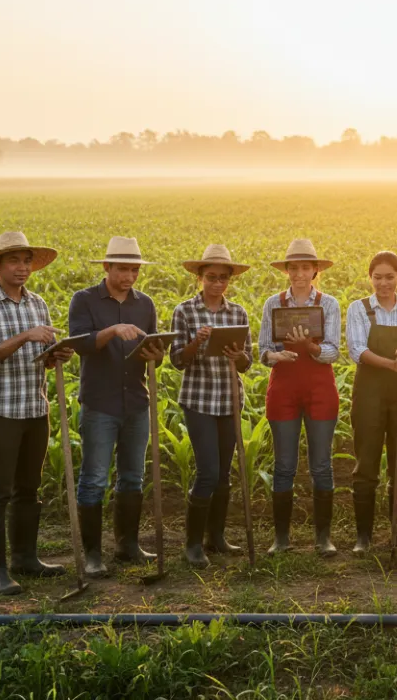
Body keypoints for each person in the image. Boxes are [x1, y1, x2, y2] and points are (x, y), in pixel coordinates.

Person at [0, 231, 70, 594]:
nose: (22, 268)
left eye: (27, 261)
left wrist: (55, 355)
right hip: (0, 411)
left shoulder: (37, 303)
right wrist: (27, 336)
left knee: (29, 488)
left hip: (34, 408)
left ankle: (25, 557)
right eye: (14, 261)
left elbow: (42, 353)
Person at [67, 236, 161, 578]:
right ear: (107, 267)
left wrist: (156, 355)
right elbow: (80, 344)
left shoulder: (145, 304)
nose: (130, 276)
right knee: (94, 479)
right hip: (100, 403)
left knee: (133, 477)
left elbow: (153, 349)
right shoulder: (85, 300)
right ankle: (93, 555)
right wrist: (112, 330)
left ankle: (128, 546)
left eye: (135, 270)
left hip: (136, 400)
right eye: (123, 269)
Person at [169, 244, 254, 569]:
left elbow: (246, 363)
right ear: (200, 277)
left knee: (223, 474)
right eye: (211, 277)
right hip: (199, 400)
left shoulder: (238, 313)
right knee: (207, 472)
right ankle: (192, 544)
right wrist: (196, 342)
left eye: (223, 278)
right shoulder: (185, 311)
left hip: (230, 399)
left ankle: (215, 537)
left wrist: (238, 356)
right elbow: (178, 360)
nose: (217, 283)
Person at [258, 239, 342, 557]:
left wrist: (310, 347)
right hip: (284, 387)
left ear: (315, 270)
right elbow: (263, 350)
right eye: (293, 268)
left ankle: (323, 539)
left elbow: (333, 350)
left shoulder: (329, 304)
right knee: (284, 466)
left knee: (321, 465)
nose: (299, 274)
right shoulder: (273, 304)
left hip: (320, 387)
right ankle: (281, 539)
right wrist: (276, 357)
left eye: (305, 267)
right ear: (287, 271)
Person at [346, 251, 397, 553]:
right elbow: (356, 350)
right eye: (377, 277)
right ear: (370, 278)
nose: (383, 283)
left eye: (389, 277)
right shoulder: (359, 309)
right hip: (369, 392)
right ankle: (363, 537)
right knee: (366, 462)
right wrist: (392, 364)